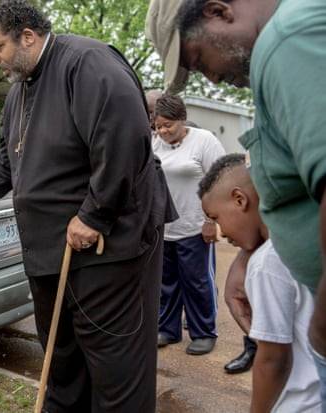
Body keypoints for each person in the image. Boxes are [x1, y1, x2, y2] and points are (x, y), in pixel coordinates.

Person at [0, 1, 175, 411]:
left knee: (114, 367)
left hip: (107, 247)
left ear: (29, 37)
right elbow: (8, 161)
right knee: (63, 362)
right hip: (50, 253)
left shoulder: (87, 63)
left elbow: (125, 139)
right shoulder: (18, 91)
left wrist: (94, 215)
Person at [146, 0, 326, 401]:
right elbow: (287, 188)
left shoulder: (286, 44)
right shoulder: (277, 54)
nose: (210, 79)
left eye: (198, 59)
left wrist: (321, 327)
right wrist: (250, 254)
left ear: (218, 11)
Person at [199, 153, 321, 412]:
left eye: (216, 217)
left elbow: (273, 359)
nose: (222, 232)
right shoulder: (305, 238)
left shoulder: (266, 264)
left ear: (239, 199)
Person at [152, 94, 224, 354]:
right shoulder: (155, 144)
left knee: (197, 282)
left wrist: (210, 221)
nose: (162, 130)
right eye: (158, 126)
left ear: (182, 119)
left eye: (168, 124)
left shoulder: (204, 141)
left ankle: (204, 332)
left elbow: (219, 181)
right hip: (165, 228)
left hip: (195, 227)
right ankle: (168, 330)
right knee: (166, 283)